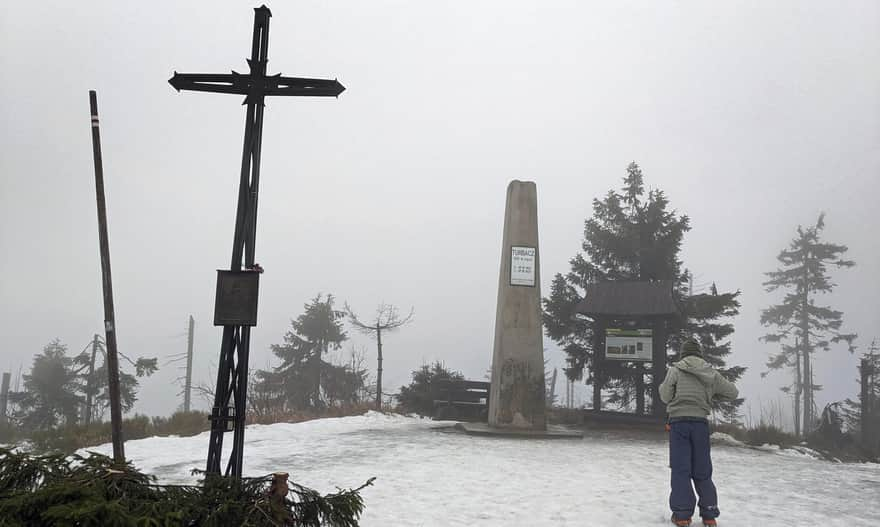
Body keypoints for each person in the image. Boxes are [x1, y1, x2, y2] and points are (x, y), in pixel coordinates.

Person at [659, 339, 739, 527]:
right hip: (700, 426)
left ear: (683, 354)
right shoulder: (711, 373)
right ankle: (709, 515)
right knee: (703, 470)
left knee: (681, 469)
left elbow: (664, 396)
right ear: (699, 354)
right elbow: (733, 393)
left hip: (679, 424)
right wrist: (712, 394)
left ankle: (682, 516)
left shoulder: (675, 370)